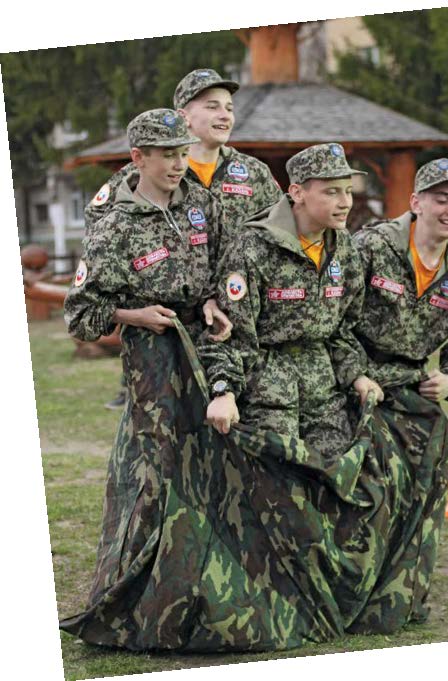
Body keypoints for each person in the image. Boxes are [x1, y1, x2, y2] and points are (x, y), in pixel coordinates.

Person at [59, 109, 223, 644]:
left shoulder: (201, 203)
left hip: (208, 349)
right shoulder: (115, 225)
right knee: (156, 475)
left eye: (183, 153)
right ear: (139, 158)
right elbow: (80, 316)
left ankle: (203, 592)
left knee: (212, 466)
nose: (178, 164)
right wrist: (135, 315)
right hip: (153, 359)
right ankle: (141, 599)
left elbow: (225, 264)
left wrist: (215, 300)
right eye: (167, 155)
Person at [86, 68, 282, 408]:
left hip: (238, 316)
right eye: (211, 106)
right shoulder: (144, 173)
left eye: (229, 108)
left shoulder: (253, 173)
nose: (224, 115)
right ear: (183, 116)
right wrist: (133, 300)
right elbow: (99, 229)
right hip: (169, 329)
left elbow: (279, 234)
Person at [352, 157, 448, 623]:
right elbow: (329, 317)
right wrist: (354, 374)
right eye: (441, 199)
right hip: (354, 383)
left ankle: (401, 594)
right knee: (373, 479)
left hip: (410, 388)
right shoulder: (371, 247)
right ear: (416, 202)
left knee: (431, 468)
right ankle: (354, 590)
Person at [200, 143, 383, 456]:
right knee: (277, 480)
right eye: (332, 192)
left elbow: (343, 329)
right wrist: (224, 391)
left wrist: (356, 374)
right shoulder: (253, 247)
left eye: (348, 191)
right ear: (297, 193)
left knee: (337, 473)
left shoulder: (344, 249)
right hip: (266, 395)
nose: (345, 203)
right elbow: (229, 335)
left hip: (324, 394)